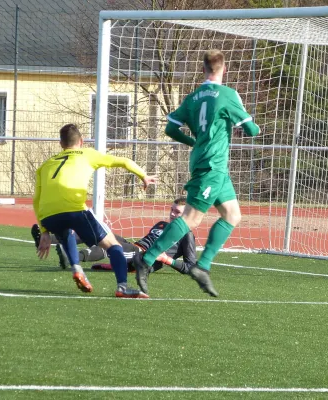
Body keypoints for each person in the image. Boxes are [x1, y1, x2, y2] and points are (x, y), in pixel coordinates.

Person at [133, 49, 260, 297]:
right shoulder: (228, 94)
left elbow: (171, 129)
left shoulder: (193, 96)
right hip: (211, 165)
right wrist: (240, 125)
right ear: (224, 69)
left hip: (213, 166)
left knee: (233, 214)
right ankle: (146, 259)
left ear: (203, 69)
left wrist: (195, 142)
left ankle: (202, 266)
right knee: (191, 218)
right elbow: (252, 131)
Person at [33, 123, 157, 298]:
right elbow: (123, 161)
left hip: (49, 215)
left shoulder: (45, 165)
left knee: (66, 232)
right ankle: (122, 287)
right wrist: (143, 175)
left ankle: (77, 268)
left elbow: (36, 199)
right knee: (113, 245)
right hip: (75, 209)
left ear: (61, 144)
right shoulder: (88, 154)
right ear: (81, 141)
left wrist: (44, 231)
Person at [31, 197, 196, 274]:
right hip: (135, 247)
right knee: (98, 230)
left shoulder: (186, 234)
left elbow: (191, 267)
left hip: (142, 258)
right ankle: (47, 240)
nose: (173, 214)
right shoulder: (161, 224)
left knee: (110, 246)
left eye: (178, 212)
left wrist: (167, 260)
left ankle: (72, 256)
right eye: (172, 210)